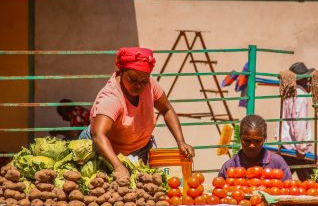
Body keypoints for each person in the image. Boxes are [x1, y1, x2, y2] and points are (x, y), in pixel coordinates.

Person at [79, 47, 194, 175]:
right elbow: (98, 136)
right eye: (133, 80)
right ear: (121, 71)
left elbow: (166, 109)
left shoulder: (150, 85)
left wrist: (180, 141)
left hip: (139, 149)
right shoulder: (111, 98)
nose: (139, 85)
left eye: (144, 81)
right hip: (104, 151)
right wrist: (118, 165)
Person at [219, 114, 292, 181]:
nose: (252, 145)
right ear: (240, 138)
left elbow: (289, 190)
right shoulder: (229, 166)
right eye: (247, 140)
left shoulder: (277, 163)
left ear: (264, 139)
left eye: (257, 141)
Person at [278, 62, 314, 181]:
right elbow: (299, 123)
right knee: (310, 181)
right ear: (302, 80)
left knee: (282, 178)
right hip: (297, 148)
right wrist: (301, 148)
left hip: (287, 144)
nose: (309, 81)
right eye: (307, 79)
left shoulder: (289, 94)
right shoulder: (301, 95)